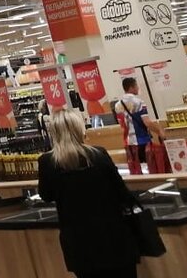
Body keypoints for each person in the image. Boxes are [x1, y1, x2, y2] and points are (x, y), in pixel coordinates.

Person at [38, 108, 141, 278]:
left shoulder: (47, 162)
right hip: (114, 238)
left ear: (54, 133)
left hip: (79, 244)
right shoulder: (98, 154)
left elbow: (46, 195)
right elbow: (122, 193)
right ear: (79, 129)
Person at [112, 77, 164, 168]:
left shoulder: (117, 105)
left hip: (128, 142)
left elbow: (122, 124)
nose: (138, 88)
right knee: (150, 167)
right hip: (142, 140)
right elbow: (147, 122)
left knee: (136, 168)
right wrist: (159, 131)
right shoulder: (139, 102)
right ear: (131, 88)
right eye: (136, 86)